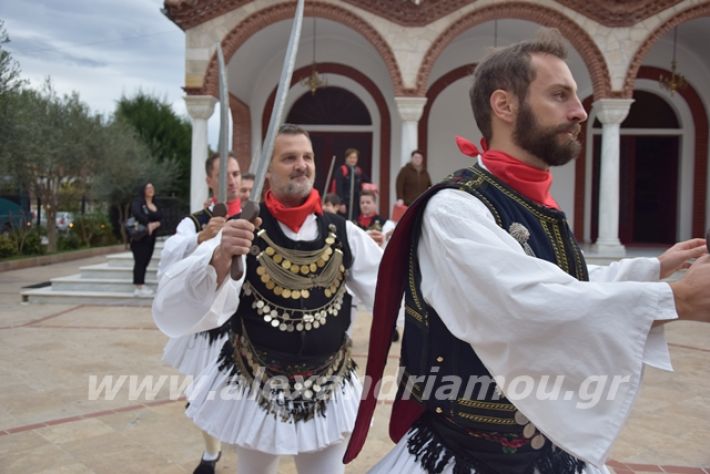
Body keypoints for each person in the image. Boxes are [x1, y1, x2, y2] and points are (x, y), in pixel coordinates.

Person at [344, 28, 710, 474]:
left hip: (546, 453)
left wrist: (651, 271)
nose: (579, 112)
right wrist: (676, 301)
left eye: (575, 97)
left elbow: (565, 283)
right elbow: (524, 302)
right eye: (560, 95)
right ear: (504, 105)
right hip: (467, 458)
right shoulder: (455, 209)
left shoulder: (529, 202)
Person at [153, 124, 382, 474]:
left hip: (329, 386)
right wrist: (219, 259)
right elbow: (178, 303)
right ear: (267, 170)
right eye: (289, 158)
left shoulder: (345, 233)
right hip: (256, 386)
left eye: (307, 157)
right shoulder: (242, 230)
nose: (301, 165)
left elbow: (393, 294)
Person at [158, 152, 243, 474]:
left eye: (236, 174)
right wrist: (201, 238)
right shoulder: (193, 221)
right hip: (207, 322)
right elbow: (171, 259)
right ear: (210, 179)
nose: (232, 181)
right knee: (202, 390)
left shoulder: (255, 217)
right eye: (224, 175)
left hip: (242, 320)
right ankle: (211, 453)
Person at [129, 182, 162, 297]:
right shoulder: (139, 202)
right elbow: (137, 213)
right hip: (140, 237)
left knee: (146, 260)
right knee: (140, 261)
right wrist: (148, 224)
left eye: (152, 187)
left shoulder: (155, 203)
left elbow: (161, 217)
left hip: (151, 238)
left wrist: (157, 224)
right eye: (148, 187)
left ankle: (141, 284)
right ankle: (139, 286)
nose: (150, 189)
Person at [333, 148, 370, 221]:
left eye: (355, 158)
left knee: (355, 221)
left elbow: (367, 181)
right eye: (351, 157)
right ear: (346, 158)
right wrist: (341, 203)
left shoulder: (358, 171)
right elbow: (338, 188)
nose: (353, 160)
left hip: (356, 202)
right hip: (345, 202)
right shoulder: (341, 170)